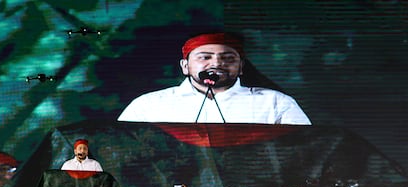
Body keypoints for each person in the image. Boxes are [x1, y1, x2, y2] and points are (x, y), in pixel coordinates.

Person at [118, 32, 311, 124]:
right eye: (205, 57)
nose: (217, 64)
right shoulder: (148, 105)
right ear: (185, 66)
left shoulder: (276, 103)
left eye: (228, 58)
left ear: (241, 67)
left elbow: (308, 149)